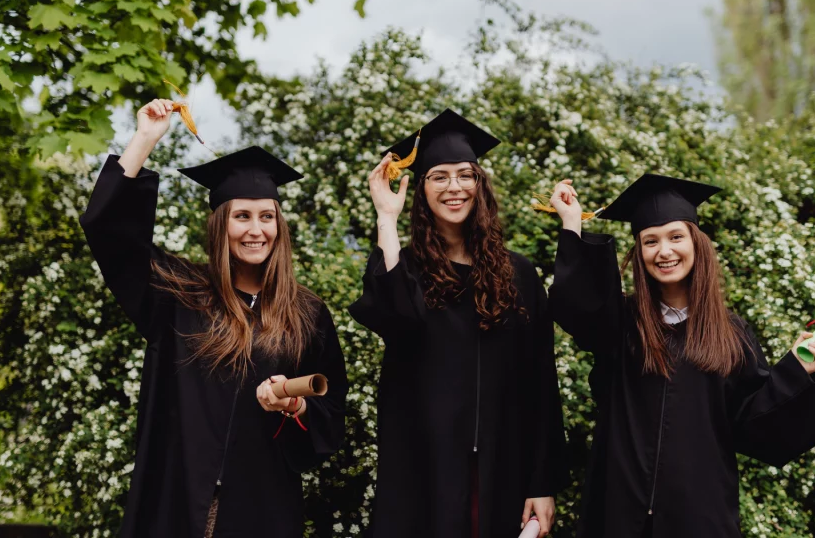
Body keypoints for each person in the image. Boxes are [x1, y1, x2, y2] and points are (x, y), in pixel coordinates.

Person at [80, 98, 348, 538]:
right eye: (241, 216)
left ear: (279, 227)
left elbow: (332, 407)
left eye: (267, 217)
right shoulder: (178, 294)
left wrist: (295, 404)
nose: (255, 230)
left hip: (262, 506)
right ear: (221, 223)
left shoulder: (307, 313)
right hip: (178, 502)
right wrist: (145, 138)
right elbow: (109, 234)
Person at [545, 173, 815, 538]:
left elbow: (754, 425)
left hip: (699, 517)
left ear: (696, 243)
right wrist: (572, 222)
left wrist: (798, 370)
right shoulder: (621, 323)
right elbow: (578, 308)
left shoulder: (732, 335)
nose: (664, 251)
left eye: (676, 237)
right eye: (650, 241)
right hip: (618, 512)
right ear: (639, 253)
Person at [348, 109, 570, 538]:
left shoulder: (518, 273)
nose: (454, 187)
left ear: (480, 185)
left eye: (465, 175)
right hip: (424, 470)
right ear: (422, 190)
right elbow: (398, 320)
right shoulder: (405, 268)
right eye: (439, 176)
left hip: (503, 468)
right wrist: (386, 218)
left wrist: (542, 482)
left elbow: (540, 381)